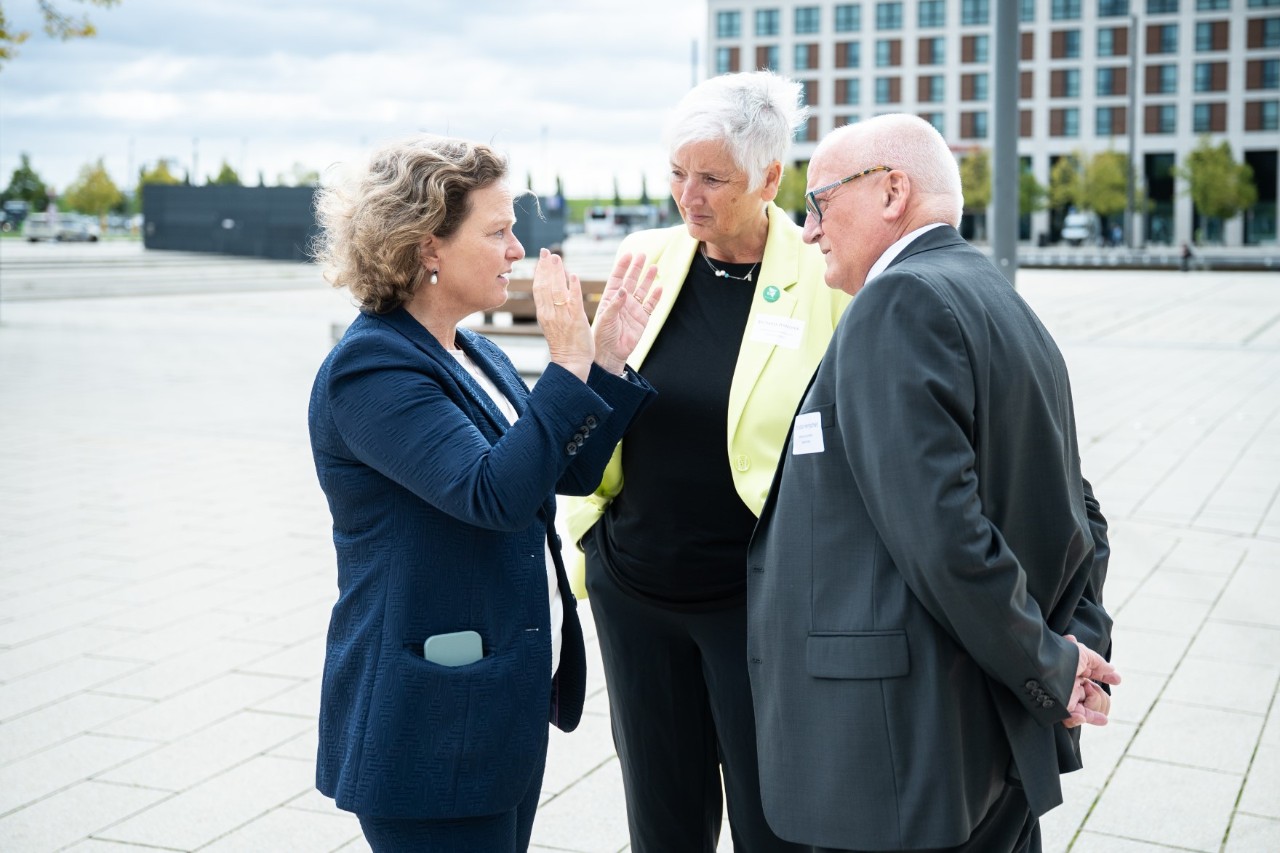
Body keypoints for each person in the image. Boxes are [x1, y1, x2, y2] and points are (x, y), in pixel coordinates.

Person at [746, 113, 1120, 853]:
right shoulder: (1000, 297)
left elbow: (945, 541)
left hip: (898, 754)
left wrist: (1054, 664)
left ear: (892, 191)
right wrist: (1075, 644)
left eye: (819, 202)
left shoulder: (898, 303)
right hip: (983, 740)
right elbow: (1079, 511)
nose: (809, 229)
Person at [307, 135, 660, 852]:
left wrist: (606, 360)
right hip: (428, 720)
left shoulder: (472, 349)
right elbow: (490, 493)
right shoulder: (371, 368)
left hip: (493, 703)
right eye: (497, 231)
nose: (516, 250)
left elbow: (557, 472)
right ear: (428, 245)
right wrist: (566, 363)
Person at [565, 71, 849, 852]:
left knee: (775, 824)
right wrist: (603, 362)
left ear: (769, 178)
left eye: (713, 177)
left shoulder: (823, 276)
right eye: (677, 173)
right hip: (637, 592)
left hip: (755, 604)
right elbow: (595, 408)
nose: (689, 195)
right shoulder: (645, 256)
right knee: (662, 823)